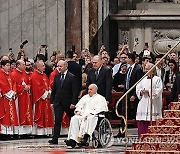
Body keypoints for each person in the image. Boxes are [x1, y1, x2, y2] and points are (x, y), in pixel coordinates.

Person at [65, 84, 108, 148]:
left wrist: (91, 113)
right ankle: (73, 139)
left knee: (90, 118)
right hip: (83, 114)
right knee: (74, 118)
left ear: (95, 90)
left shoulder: (100, 98)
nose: (89, 91)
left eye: (91, 89)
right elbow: (79, 105)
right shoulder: (85, 97)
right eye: (88, 89)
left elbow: (100, 109)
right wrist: (78, 111)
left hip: (94, 115)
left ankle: (85, 137)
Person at [49, 60, 79, 145]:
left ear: (66, 66)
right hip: (58, 102)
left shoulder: (72, 77)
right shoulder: (57, 76)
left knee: (73, 120)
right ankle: (55, 138)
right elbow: (54, 90)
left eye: (61, 66)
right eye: (58, 66)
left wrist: (73, 102)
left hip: (68, 103)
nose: (59, 68)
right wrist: (52, 101)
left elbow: (74, 92)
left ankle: (75, 137)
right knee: (57, 120)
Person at [136, 63, 163, 138]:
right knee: (142, 120)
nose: (146, 71)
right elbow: (138, 88)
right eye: (145, 69)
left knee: (153, 119)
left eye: (147, 69)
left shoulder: (157, 79)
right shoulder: (142, 79)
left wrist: (149, 91)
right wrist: (141, 91)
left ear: (152, 70)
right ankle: (142, 138)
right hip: (143, 102)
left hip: (153, 103)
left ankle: (153, 138)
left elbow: (159, 90)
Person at [30, 60, 54, 136]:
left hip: (47, 98)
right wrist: (46, 93)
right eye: (43, 66)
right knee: (40, 114)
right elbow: (37, 88)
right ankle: (39, 132)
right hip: (40, 99)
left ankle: (47, 132)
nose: (44, 67)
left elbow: (48, 84)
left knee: (47, 114)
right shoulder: (34, 75)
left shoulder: (44, 75)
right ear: (37, 67)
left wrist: (49, 91)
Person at [11, 60, 33, 135]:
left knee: (26, 113)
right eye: (23, 64)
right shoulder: (13, 74)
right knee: (19, 113)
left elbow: (29, 82)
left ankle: (26, 132)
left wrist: (28, 86)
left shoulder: (24, 73)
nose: (25, 66)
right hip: (19, 97)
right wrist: (23, 87)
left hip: (25, 96)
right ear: (18, 65)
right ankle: (18, 132)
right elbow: (13, 86)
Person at [0, 60, 19, 137]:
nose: (9, 67)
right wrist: (10, 93)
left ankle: (9, 133)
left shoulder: (11, 75)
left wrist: (14, 91)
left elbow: (14, 83)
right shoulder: (1, 75)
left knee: (10, 115)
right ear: (2, 66)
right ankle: (3, 133)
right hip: (4, 98)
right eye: (7, 65)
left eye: (9, 65)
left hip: (10, 98)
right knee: (5, 115)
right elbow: (3, 85)